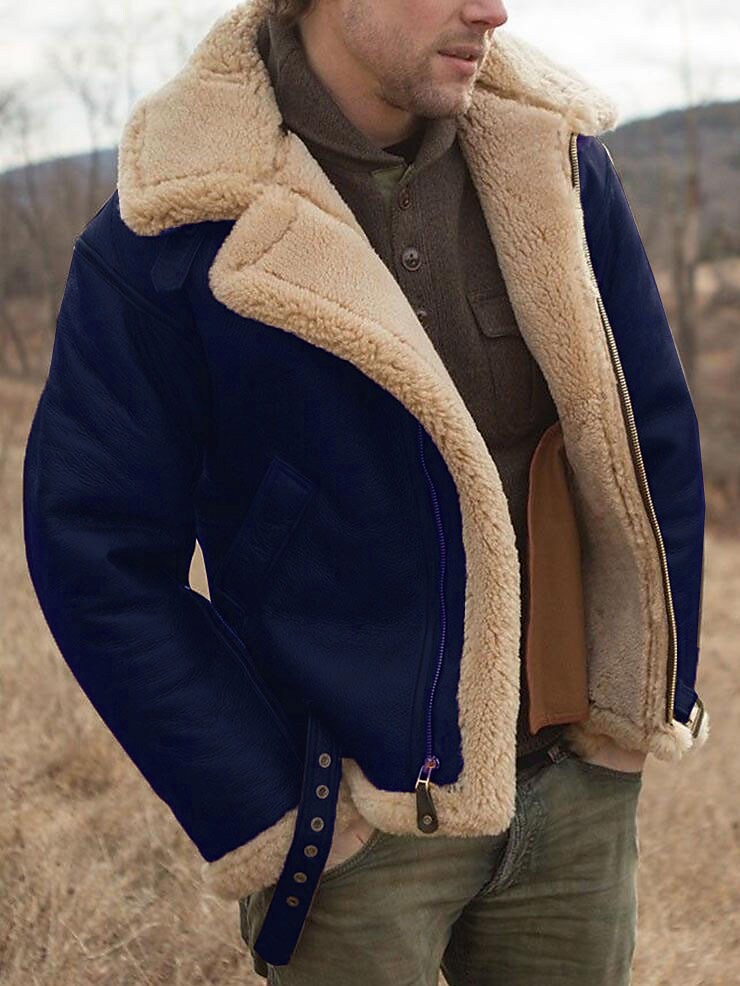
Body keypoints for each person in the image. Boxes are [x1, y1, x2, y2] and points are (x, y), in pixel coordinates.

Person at [22, 0, 709, 983]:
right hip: (347, 824)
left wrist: (634, 720)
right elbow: (96, 550)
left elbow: (647, 441)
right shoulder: (170, 227)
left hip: (576, 794)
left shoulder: (555, 164)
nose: (493, 10)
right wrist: (270, 806)